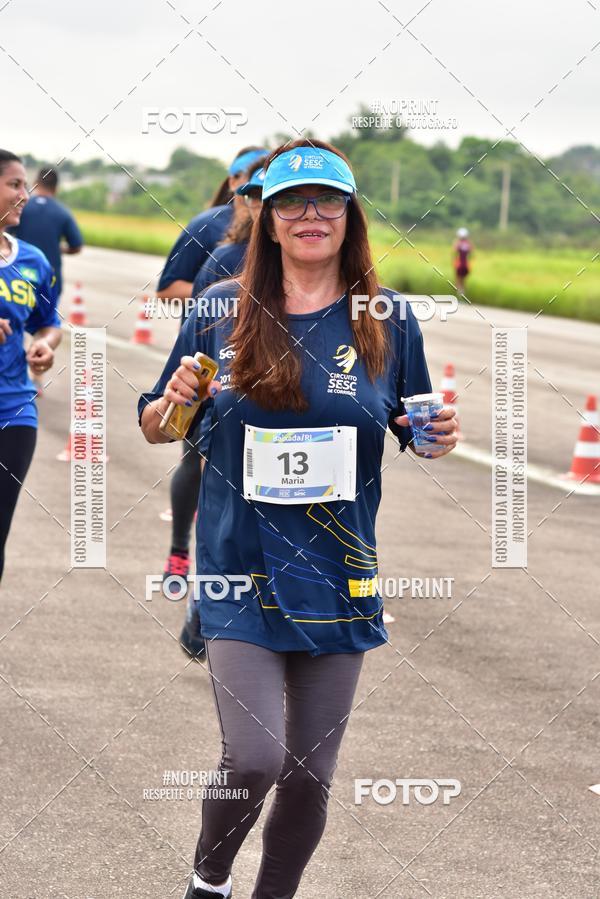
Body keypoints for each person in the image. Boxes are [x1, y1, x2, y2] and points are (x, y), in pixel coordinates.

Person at [138, 139, 458, 899]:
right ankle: (207, 883)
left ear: (351, 216)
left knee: (310, 774)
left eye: (328, 200)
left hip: (338, 574)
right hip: (237, 567)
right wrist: (178, 397)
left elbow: (415, 427)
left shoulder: (386, 317)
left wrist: (436, 434)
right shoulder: (220, 307)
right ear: (269, 219)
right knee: (253, 755)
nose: (311, 214)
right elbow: (158, 425)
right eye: (292, 202)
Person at [170, 161, 267, 662]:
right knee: (225, 520)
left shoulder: (350, 286)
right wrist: (184, 393)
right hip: (225, 427)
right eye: (262, 197)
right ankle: (203, 608)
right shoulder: (225, 260)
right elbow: (188, 322)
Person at [0, 151, 61, 583]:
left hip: (15, 410)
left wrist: (44, 345)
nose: (26, 194)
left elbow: (49, 324)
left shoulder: (33, 261)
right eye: (15, 185)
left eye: (25, 185)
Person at [156, 147, 268, 302]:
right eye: (251, 175)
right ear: (233, 181)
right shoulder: (206, 225)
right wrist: (227, 292)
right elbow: (166, 291)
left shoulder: (279, 230)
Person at [12, 166, 83, 299]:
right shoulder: (63, 213)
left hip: (19, 278)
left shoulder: (19, 208)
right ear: (56, 188)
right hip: (50, 279)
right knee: (47, 318)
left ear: (35, 183)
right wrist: (60, 249)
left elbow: (5, 236)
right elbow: (76, 246)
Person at [453, 226, 472, 296]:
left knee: (458, 279)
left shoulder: (458, 243)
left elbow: (454, 253)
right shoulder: (468, 243)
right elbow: (471, 254)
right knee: (464, 280)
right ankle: (463, 294)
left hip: (459, 264)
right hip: (466, 265)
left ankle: (458, 295)